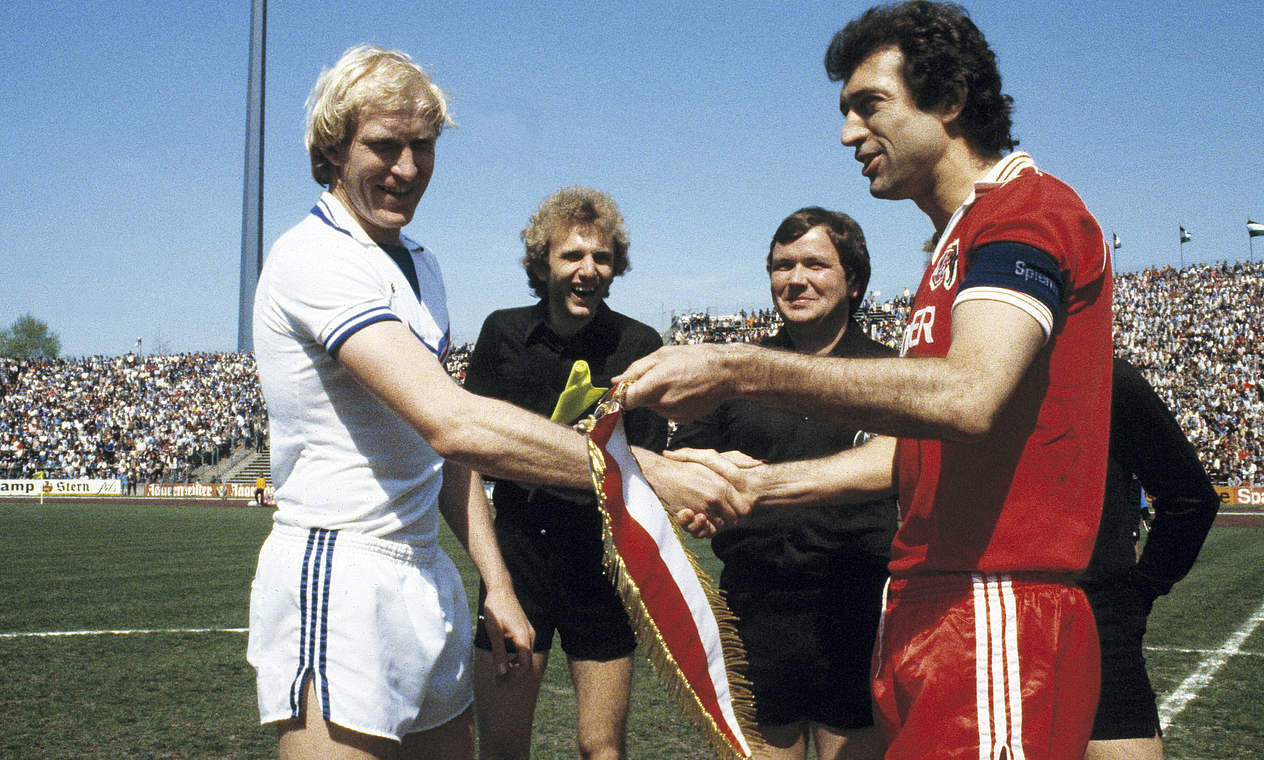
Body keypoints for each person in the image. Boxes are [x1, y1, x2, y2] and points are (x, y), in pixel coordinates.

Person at [623, 2, 1113, 756]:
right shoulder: (956, 245)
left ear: (948, 99)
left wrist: (735, 368)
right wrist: (761, 488)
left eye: (869, 106)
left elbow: (969, 395)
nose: (849, 134)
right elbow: (914, 451)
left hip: (995, 605)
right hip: (930, 604)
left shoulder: (1026, 212)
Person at [248, 46, 744, 760]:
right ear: (332, 148)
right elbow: (454, 423)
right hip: (343, 570)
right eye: (384, 146)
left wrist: (498, 585)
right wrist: (653, 477)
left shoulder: (419, 264)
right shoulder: (315, 258)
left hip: (421, 571)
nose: (408, 168)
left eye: (423, 146)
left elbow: (440, 455)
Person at [668, 207, 896, 760]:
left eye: (815, 264)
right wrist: (695, 497)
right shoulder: (732, 371)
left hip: (858, 606)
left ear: (855, 281)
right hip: (755, 605)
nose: (796, 279)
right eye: (782, 265)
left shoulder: (892, 375)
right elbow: (683, 469)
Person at [462, 187, 667, 760]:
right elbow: (468, 456)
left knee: (602, 748)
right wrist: (495, 580)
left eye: (601, 257)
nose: (588, 270)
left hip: (601, 563)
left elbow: (644, 471)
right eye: (572, 256)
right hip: (518, 560)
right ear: (542, 262)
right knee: (503, 749)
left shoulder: (638, 345)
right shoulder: (503, 334)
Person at [1082, 357, 1219, 760]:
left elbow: (1191, 499)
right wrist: (1138, 594)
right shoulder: (1109, 376)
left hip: (1089, 618)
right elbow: (1192, 499)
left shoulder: (1108, 378)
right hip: (1096, 613)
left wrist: (1140, 592)